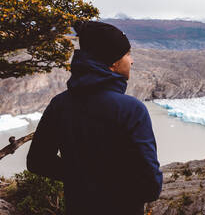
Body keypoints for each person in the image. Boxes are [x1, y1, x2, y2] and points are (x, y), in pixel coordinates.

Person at [27, 21, 163, 215]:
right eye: (127, 54)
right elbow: (151, 186)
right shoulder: (131, 110)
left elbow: (37, 161)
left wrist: (80, 177)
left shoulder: (60, 104)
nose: (131, 61)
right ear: (113, 63)